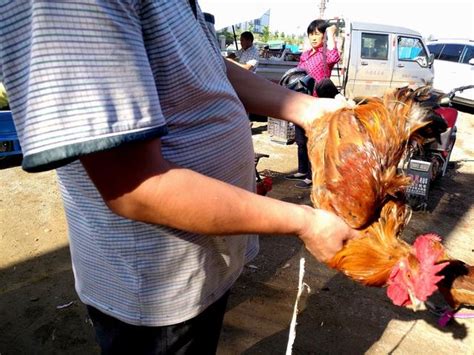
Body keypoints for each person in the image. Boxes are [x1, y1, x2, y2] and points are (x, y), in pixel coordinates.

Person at [0, 2, 356, 354]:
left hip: (203, 266)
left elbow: (203, 66)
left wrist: (307, 109)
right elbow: (136, 188)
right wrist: (306, 222)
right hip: (155, 291)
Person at [285, 20, 340, 189]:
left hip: (317, 104)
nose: (313, 37)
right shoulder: (306, 54)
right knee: (300, 139)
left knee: (312, 141)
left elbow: (334, 56)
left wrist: (331, 33)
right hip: (302, 100)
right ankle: (302, 170)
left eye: (317, 33)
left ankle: (311, 176)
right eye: (311, 34)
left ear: (323, 35)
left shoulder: (326, 54)